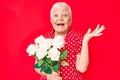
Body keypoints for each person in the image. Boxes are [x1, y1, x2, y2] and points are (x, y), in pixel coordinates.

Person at [34, 2, 105, 80]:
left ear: (70, 20)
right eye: (56, 15)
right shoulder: (44, 39)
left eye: (65, 15)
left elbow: (82, 68)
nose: (60, 18)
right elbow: (38, 67)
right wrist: (49, 74)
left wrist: (85, 41)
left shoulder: (77, 38)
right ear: (51, 20)